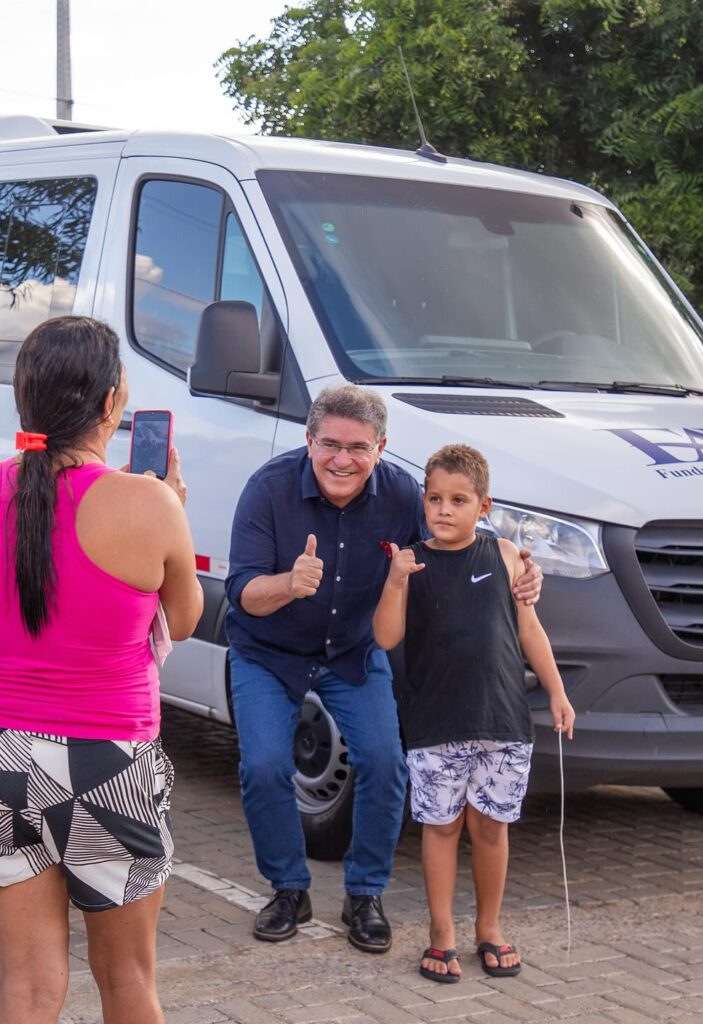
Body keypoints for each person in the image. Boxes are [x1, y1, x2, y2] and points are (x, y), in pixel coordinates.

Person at [0, 316, 203, 1024]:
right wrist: (169, 510)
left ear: (24, 397)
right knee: (126, 983)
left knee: (25, 991)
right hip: (104, 757)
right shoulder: (146, 501)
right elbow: (178, 622)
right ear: (112, 402)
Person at [224, 385, 542, 952]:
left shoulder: (400, 495)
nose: (342, 459)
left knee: (386, 763)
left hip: (352, 651)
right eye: (330, 444)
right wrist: (287, 585)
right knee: (266, 766)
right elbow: (242, 592)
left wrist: (519, 568)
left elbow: (457, 533)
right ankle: (289, 889)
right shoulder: (267, 490)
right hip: (269, 653)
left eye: (357, 447)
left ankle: (364, 895)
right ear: (309, 440)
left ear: (380, 447)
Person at [373, 443, 575, 983]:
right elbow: (386, 636)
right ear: (423, 501)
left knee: (491, 828)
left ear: (483, 506)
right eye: (435, 498)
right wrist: (394, 581)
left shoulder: (506, 556)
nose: (444, 509)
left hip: (502, 722)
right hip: (435, 723)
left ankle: (490, 927)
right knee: (440, 829)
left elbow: (530, 631)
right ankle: (442, 934)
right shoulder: (411, 563)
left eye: (458, 500)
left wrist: (556, 691)